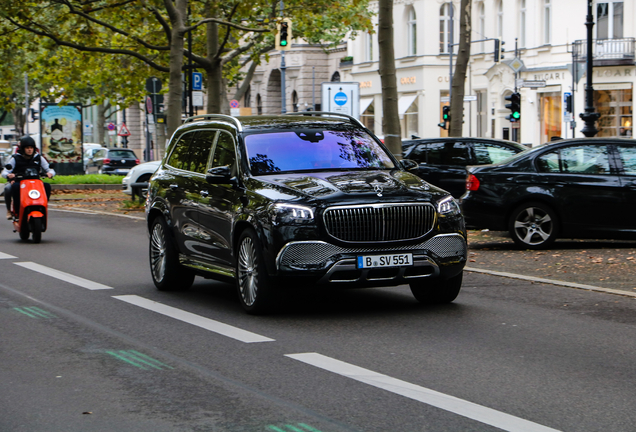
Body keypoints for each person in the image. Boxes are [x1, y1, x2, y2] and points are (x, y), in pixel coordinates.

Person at [1, 136, 55, 219]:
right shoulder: (15, 158)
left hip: (36, 183)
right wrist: (8, 175)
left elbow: (50, 169)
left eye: (31, 148)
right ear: (23, 149)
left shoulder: (39, 157)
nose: (30, 150)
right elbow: (4, 172)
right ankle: (15, 211)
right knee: (10, 188)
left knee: (47, 186)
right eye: (27, 148)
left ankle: (43, 207)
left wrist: (50, 173)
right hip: (20, 182)